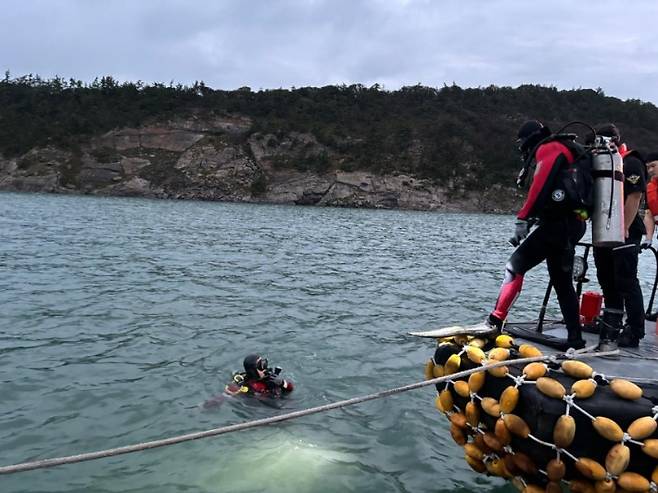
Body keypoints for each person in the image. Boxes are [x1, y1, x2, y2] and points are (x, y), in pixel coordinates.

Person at [484, 120, 587, 349]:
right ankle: (575, 338)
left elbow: (540, 185)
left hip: (557, 226)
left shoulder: (549, 148)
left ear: (527, 140)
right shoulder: (568, 149)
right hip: (572, 223)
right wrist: (532, 221)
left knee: (514, 265)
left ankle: (495, 321)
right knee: (562, 283)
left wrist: (523, 217)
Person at [590, 124, 647, 349]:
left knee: (626, 280)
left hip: (626, 231)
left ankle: (635, 330)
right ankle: (612, 323)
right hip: (604, 229)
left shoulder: (630, 162)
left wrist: (624, 227)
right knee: (606, 278)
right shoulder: (600, 163)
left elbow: (635, 196)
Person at [225, 354, 294, 398]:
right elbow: (224, 396)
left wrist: (282, 383)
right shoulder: (243, 383)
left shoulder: (270, 377)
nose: (264, 368)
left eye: (264, 363)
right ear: (253, 371)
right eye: (260, 366)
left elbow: (290, 389)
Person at [642, 152, 658, 249]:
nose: (650, 170)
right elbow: (649, 214)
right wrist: (648, 239)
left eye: (653, 166)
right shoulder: (649, 188)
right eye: (648, 168)